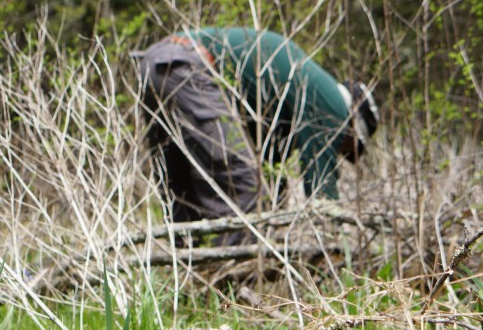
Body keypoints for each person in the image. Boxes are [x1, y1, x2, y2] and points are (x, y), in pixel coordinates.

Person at [132, 27, 380, 237]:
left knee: (183, 193)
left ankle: (189, 277)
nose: (341, 149)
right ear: (353, 124)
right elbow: (321, 190)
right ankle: (231, 279)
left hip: (154, 64)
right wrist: (334, 242)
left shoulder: (303, 98)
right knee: (243, 189)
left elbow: (270, 168)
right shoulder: (334, 107)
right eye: (347, 146)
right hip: (188, 65)